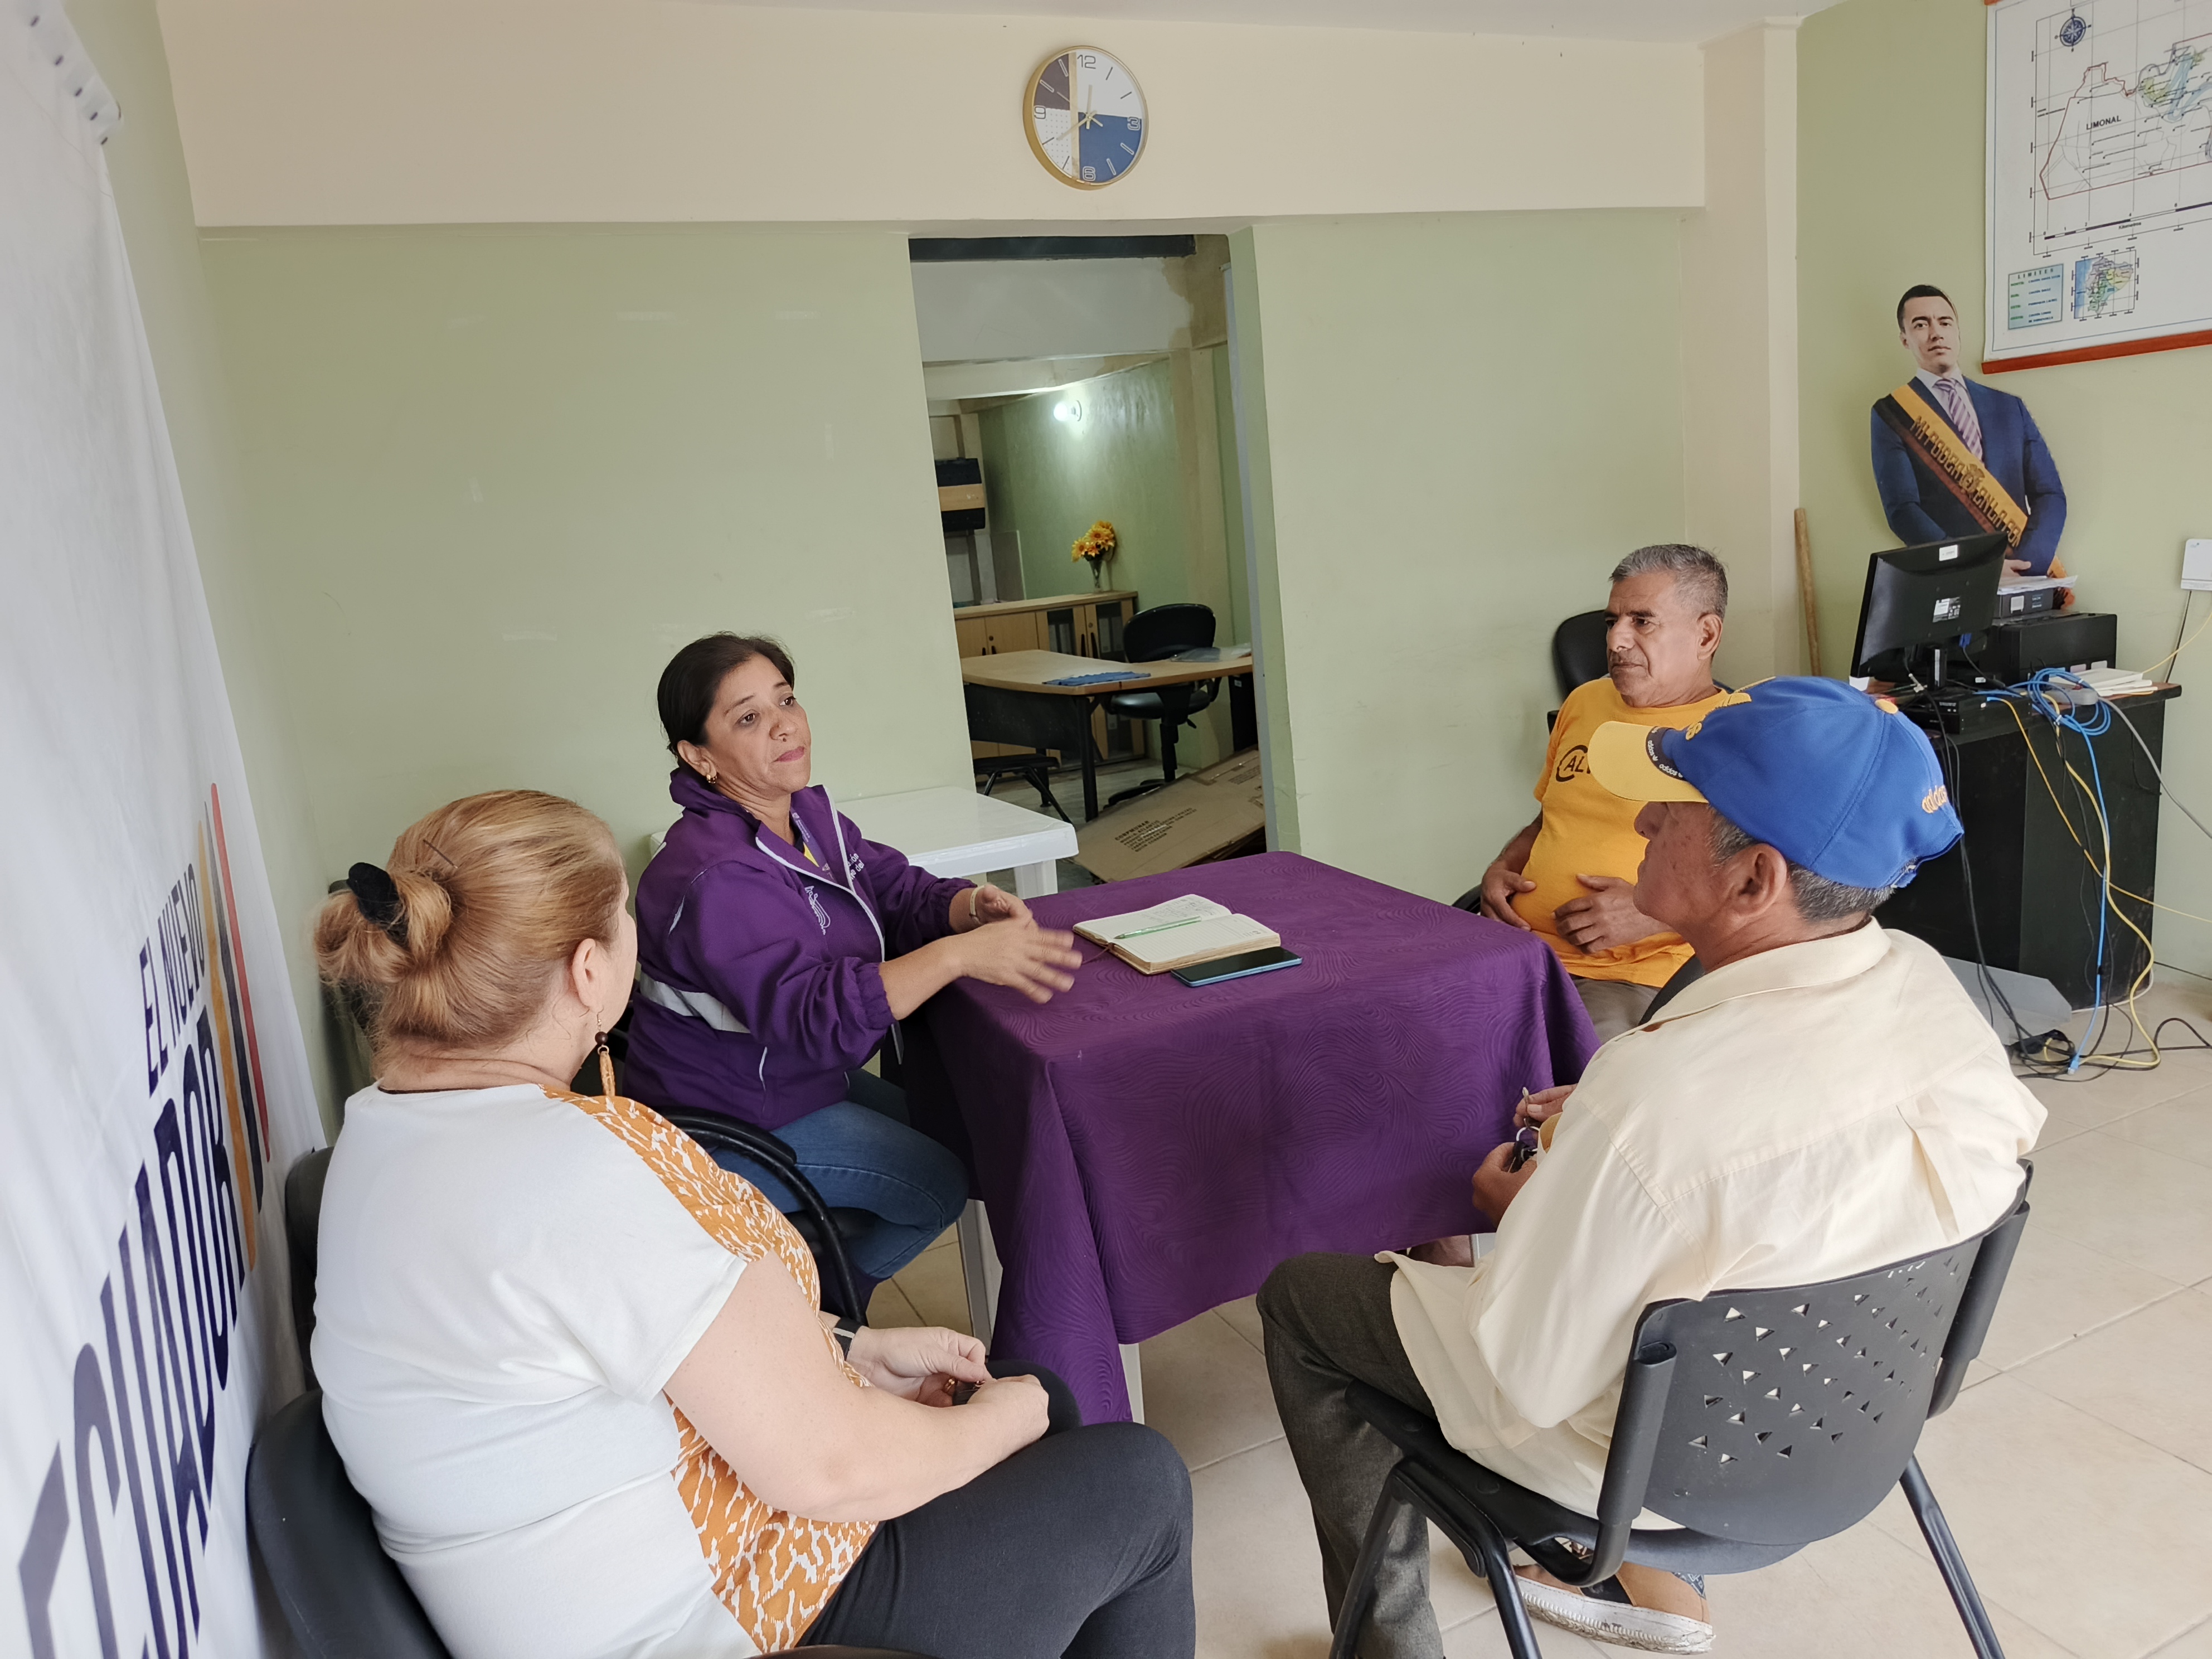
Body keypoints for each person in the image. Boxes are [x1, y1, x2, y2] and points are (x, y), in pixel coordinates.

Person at [313, 789, 1195, 1659]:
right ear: (588, 971)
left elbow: (605, 1335)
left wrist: (849, 1349)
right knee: (1132, 1474)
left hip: (614, 1571)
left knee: (1038, 1402)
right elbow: (832, 1469)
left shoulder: (383, 1134)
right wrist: (1010, 1419)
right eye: (623, 918)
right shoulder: (567, 1171)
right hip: (714, 1621)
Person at [1262, 679, 2043, 1657]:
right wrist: (1605, 1143)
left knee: (1303, 1298)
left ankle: (1392, 1646)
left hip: (1648, 1468)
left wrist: (1525, 1205)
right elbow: (1819, 1170)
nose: (1641, 819)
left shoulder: (1654, 1093)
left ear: (1754, 879)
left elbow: (1525, 1374)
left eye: (1675, 807)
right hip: (1857, 1430)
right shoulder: (1936, 1000)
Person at [623, 633, 1086, 1295]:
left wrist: (964, 908)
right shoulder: (715, 874)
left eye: (786, 700)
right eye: (748, 718)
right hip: (727, 1118)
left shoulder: (805, 817)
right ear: (698, 757)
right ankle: (828, 1316)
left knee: (951, 1124)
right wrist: (957, 955)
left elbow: (890, 887)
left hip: (788, 1079)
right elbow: (818, 1019)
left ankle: (812, 1293)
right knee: (938, 1185)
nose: (784, 725)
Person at [1477, 546, 1732, 1042]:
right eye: (1612, 621)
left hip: (1625, 976)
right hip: (1518, 949)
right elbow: (1549, 819)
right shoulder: (1585, 701)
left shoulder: (1732, 733)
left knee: (1588, 1078)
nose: (1616, 640)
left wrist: (1654, 916)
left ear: (1706, 635)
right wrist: (1500, 868)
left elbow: (1771, 891)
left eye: (1642, 621)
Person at [1871, 283, 2069, 579]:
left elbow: (2049, 493)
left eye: (1945, 322)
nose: (1936, 333)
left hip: (2025, 578)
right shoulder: (1892, 412)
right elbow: (1903, 511)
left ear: (1958, 331)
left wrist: (2028, 565)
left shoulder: (2009, 407)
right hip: (1954, 580)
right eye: (1921, 325)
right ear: (1905, 339)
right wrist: (1978, 567)